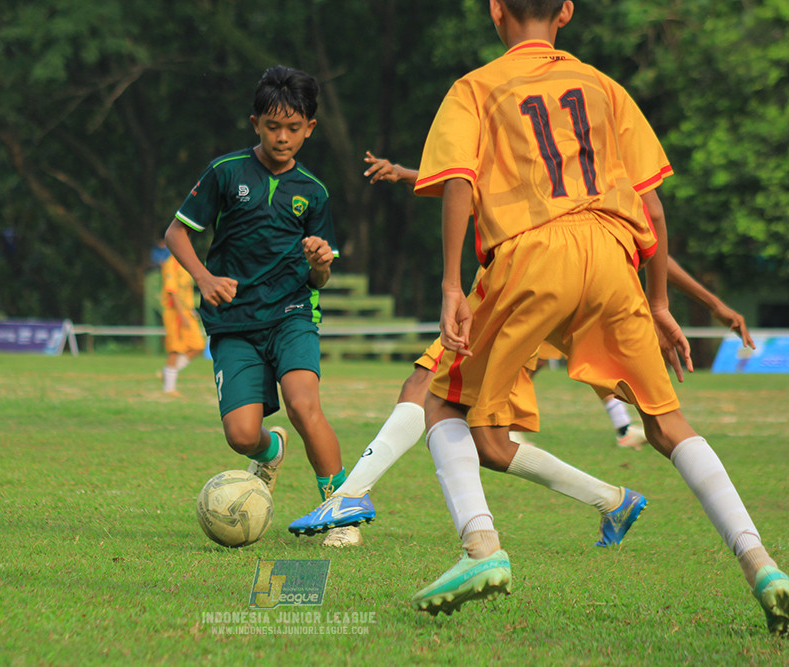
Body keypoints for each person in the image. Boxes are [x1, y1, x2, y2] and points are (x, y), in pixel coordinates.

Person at [405, 0, 788, 634]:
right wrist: (659, 302)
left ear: (495, 10)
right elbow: (655, 212)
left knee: (442, 401)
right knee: (666, 424)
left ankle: (481, 549)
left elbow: (458, 185)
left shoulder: (474, 88)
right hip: (614, 257)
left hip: (530, 254)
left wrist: (451, 285)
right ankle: (762, 562)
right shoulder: (605, 88)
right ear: (567, 12)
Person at [289, 152, 757, 548]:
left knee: (426, 382)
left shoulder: (569, 162)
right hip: (540, 298)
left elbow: (649, 239)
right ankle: (613, 501)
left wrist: (710, 303)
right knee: (488, 445)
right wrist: (409, 174)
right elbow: (475, 186)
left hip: (524, 297)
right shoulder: (561, 161)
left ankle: (350, 498)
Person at [165, 65, 356, 534]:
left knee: (303, 405)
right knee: (241, 435)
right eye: (273, 126)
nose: (283, 137)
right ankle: (271, 451)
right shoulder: (225, 173)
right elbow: (176, 233)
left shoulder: (314, 192)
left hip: (292, 313)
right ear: (255, 124)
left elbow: (321, 279)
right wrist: (205, 278)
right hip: (233, 321)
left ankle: (343, 513)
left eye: (294, 127)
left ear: (310, 128)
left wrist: (320, 263)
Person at [160, 251, 205, 395]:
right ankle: (169, 388)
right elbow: (172, 292)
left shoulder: (185, 262)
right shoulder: (171, 263)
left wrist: (190, 310)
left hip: (186, 311)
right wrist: (182, 315)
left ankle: (167, 372)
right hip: (175, 312)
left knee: (198, 346)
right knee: (176, 348)